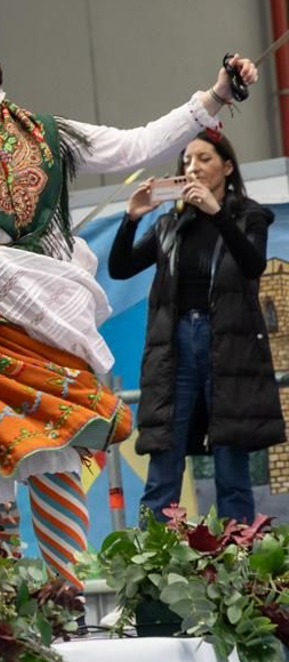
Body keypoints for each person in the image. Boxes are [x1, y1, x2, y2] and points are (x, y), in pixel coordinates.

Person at [0, 23, 257, 586]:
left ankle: (66, 601)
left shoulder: (52, 133)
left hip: (47, 318)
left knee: (56, 448)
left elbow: (133, 145)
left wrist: (215, 96)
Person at [107, 131, 282, 523]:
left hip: (228, 345)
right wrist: (130, 219)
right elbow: (120, 268)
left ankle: (239, 565)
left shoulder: (249, 216)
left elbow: (253, 265)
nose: (193, 168)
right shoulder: (171, 223)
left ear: (227, 166)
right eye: (187, 161)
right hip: (177, 344)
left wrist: (217, 213)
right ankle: (156, 562)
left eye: (204, 159)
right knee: (164, 460)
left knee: (231, 466)